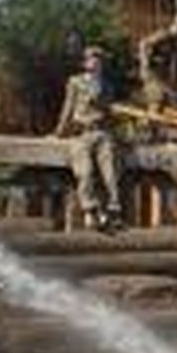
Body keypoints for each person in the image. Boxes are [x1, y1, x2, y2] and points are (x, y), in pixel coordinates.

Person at [53, 45, 123, 232]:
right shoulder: (75, 82)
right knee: (85, 172)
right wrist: (59, 131)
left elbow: (109, 113)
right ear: (85, 62)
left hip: (101, 132)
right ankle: (90, 209)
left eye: (99, 59)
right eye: (92, 59)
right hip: (81, 133)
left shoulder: (107, 85)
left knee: (110, 172)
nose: (96, 62)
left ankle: (113, 209)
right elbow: (68, 108)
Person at [137, 14, 177, 114]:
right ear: (174, 25)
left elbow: (173, 60)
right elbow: (143, 44)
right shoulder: (162, 35)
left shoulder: (176, 40)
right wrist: (145, 62)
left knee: (168, 99)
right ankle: (149, 125)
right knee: (156, 99)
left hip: (162, 73)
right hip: (152, 73)